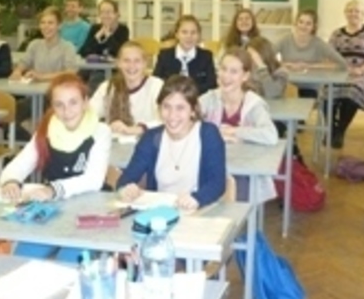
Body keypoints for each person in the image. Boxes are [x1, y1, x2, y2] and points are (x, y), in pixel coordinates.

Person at [0, 73, 112, 260]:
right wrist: (11, 181)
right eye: (59, 105)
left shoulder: (100, 131)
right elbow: (19, 164)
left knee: (67, 261)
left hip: (88, 210)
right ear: (52, 107)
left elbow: (94, 180)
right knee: (23, 258)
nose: (67, 111)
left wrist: (53, 190)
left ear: (85, 102)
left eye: (73, 102)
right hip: (52, 210)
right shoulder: (45, 131)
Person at [117, 75, 227, 212]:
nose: (172, 115)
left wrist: (197, 198)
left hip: (198, 212)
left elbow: (217, 183)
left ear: (193, 111)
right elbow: (125, 180)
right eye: (166, 107)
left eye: (180, 108)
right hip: (160, 214)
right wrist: (126, 189)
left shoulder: (208, 135)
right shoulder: (150, 138)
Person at [200, 48, 278, 202]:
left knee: (235, 194)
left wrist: (234, 131)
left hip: (244, 170)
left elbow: (271, 135)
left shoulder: (253, 104)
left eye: (234, 72)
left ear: (245, 76)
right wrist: (214, 134)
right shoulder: (209, 98)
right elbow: (185, 121)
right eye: (223, 69)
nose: (226, 76)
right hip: (210, 166)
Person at [328, 0, 364, 148]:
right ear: (345, 13)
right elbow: (330, 55)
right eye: (350, 10)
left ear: (363, 15)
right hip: (341, 72)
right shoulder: (336, 34)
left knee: (352, 91)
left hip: (363, 74)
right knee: (326, 91)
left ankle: (340, 131)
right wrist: (343, 68)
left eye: (357, 11)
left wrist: (360, 70)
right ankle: (331, 129)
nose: (353, 14)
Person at [90, 41, 164, 137]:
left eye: (137, 61)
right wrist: (105, 128)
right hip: (114, 142)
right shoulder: (107, 87)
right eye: (126, 61)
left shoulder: (156, 86)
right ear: (118, 63)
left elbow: (165, 119)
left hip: (148, 141)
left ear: (145, 63)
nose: (131, 66)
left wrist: (136, 129)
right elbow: (89, 114)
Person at [275, 9, 347, 98]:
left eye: (308, 23)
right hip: (288, 85)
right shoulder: (284, 40)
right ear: (296, 23)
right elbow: (265, 58)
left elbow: (342, 64)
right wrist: (287, 65)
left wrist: (309, 66)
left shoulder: (319, 44)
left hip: (311, 87)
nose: (303, 26)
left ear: (314, 26)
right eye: (301, 22)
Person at [10, 7, 80, 82]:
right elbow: (25, 62)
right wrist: (18, 71)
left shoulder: (67, 47)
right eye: (43, 23)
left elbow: (70, 73)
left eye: (50, 23)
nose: (46, 26)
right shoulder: (34, 44)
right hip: (34, 88)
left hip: (57, 87)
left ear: (59, 26)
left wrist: (42, 77)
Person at [152, 14, 217, 95]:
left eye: (193, 32)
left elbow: (211, 84)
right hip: (170, 97)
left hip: (198, 98)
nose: (189, 36)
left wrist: (190, 93)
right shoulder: (165, 56)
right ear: (177, 34)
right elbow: (156, 81)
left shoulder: (206, 56)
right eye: (184, 32)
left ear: (199, 35)